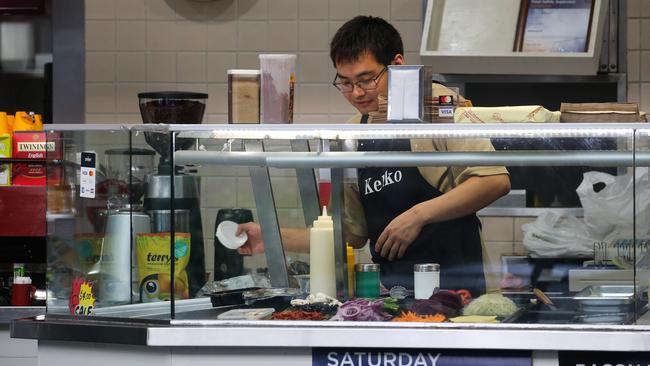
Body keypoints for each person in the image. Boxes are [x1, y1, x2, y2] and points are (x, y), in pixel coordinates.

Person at [237, 16, 510, 296]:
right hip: (394, 298)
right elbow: (351, 235)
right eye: (345, 82)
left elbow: (494, 181)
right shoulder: (352, 135)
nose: (356, 92)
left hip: (461, 292)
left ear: (398, 65)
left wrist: (417, 216)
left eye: (366, 80)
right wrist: (271, 237)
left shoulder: (438, 107)